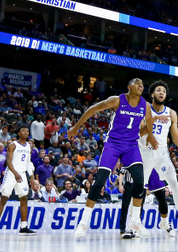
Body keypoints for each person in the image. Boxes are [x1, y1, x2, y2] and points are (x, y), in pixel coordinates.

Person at [69, 78, 162, 239]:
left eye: (142, 83)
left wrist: (150, 135)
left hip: (131, 146)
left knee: (140, 181)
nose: (141, 85)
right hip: (113, 143)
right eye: (137, 82)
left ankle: (135, 221)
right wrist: (76, 127)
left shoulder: (145, 105)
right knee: (99, 182)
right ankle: (83, 223)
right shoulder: (117, 100)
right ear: (129, 87)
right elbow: (93, 109)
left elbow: (150, 121)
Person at [138, 80, 178, 238]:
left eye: (163, 91)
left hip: (162, 154)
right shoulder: (145, 109)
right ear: (152, 94)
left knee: (175, 186)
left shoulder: (171, 113)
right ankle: (134, 224)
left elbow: (175, 137)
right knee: (139, 189)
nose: (161, 92)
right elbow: (138, 133)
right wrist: (151, 125)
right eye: (158, 90)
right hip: (145, 152)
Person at [0, 126, 36, 236]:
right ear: (19, 133)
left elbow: (28, 163)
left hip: (22, 174)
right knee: (4, 198)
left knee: (24, 199)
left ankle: (23, 227)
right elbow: (9, 161)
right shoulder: (13, 145)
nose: (26, 132)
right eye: (23, 130)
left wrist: (31, 175)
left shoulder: (29, 147)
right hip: (11, 173)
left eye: (27, 131)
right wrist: (15, 173)